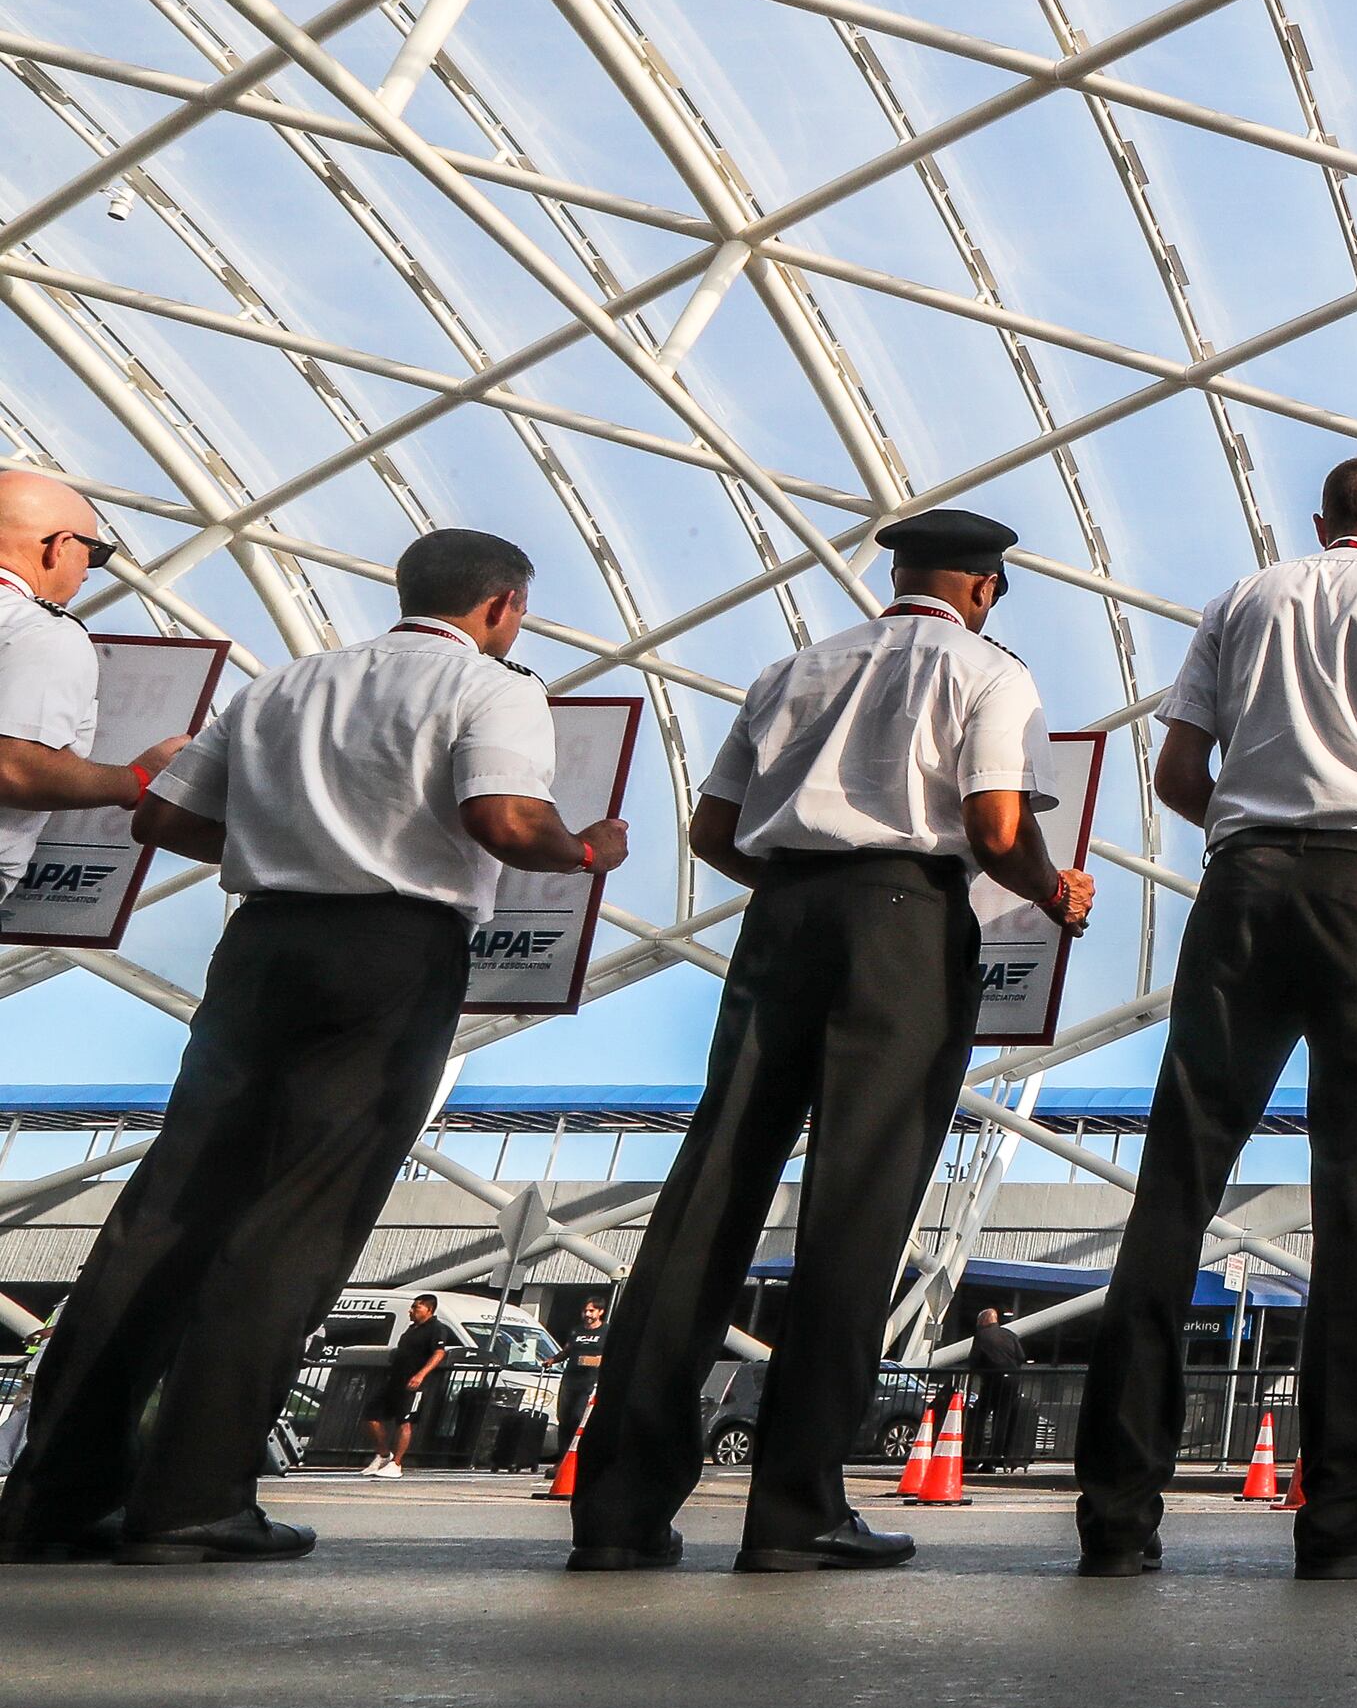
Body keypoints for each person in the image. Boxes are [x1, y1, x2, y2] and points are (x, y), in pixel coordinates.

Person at [0, 527, 622, 1566]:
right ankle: (194, 1499)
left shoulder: (287, 682)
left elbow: (164, 816)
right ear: (503, 607)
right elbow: (507, 820)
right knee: (299, 1218)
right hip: (391, 950)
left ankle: (51, 1497)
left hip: (260, 948)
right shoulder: (493, 685)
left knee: (165, 1211)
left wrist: (273, 842)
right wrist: (587, 848)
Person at [569, 509, 1092, 1575]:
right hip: (904, 920)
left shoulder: (791, 668)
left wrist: (805, 891)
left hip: (783, 918)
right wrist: (1054, 886)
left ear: (895, 572)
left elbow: (714, 830)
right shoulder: (990, 672)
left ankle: (619, 1509)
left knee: (708, 1193)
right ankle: (795, 1509)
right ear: (985, 587)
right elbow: (996, 825)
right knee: (858, 1204)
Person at [1073, 458, 1357, 1580]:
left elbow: (1178, 769)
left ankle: (1118, 1507)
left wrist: (1255, 826)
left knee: (1179, 1180)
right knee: (1356, 1194)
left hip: (1244, 889)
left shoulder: (1244, 598)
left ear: (1320, 525)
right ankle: (1344, 1514)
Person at [0, 471, 191, 901]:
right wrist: (137, 778)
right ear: (59, 546)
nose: (89, 571)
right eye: (96, 552)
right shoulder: (40, 630)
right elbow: (15, 769)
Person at [365, 1297, 456, 1479]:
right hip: (395, 1380)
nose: (411, 1311)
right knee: (371, 1415)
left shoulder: (436, 1329)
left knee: (404, 1422)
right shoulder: (411, 1329)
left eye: (416, 1307)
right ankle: (384, 1455)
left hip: (415, 1382)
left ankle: (396, 1463)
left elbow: (439, 1353)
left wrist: (420, 1375)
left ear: (429, 1309)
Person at [965, 1309, 1028, 1474]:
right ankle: (993, 1461)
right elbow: (1021, 1356)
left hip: (992, 1380)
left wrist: (980, 1372)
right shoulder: (1009, 1334)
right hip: (1011, 1381)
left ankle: (973, 1457)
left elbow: (974, 1360)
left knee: (978, 1416)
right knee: (1002, 1420)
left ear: (983, 1321)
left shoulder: (981, 1336)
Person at [552, 1298, 606, 1464]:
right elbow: (567, 1350)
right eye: (585, 1311)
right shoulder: (577, 1331)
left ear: (600, 1312)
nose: (587, 1314)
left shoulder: (605, 1331)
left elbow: (611, 1356)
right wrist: (552, 1360)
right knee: (564, 1418)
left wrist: (592, 1360)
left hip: (589, 1382)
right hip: (570, 1379)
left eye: (591, 1311)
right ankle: (562, 1459)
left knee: (577, 1417)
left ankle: (576, 1457)